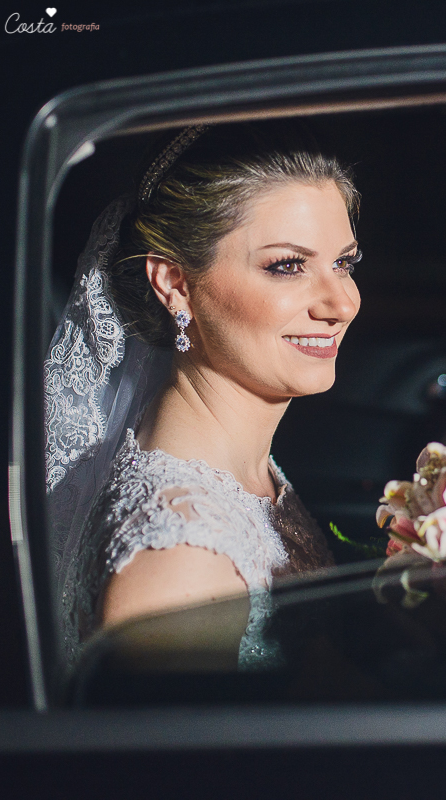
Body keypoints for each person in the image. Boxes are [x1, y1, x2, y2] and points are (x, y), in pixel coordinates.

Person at [45, 122, 358, 669]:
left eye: (343, 263)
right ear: (174, 283)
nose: (340, 304)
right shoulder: (180, 555)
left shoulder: (236, 469)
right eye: (287, 266)